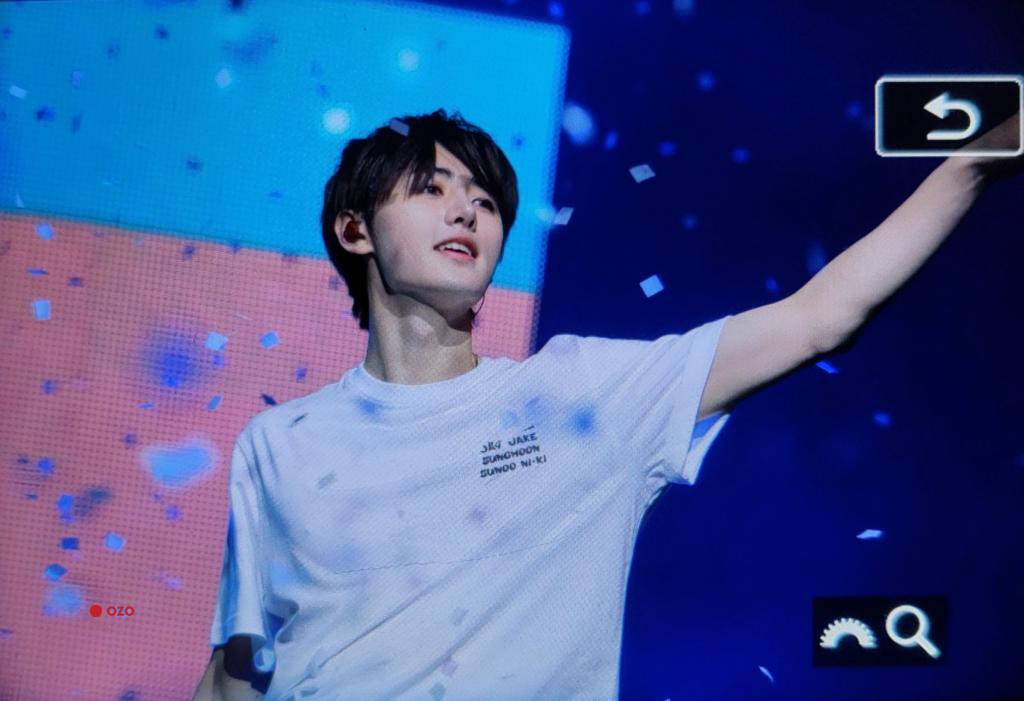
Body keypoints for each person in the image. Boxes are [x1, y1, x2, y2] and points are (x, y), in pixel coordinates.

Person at [198, 107, 1019, 700]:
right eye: (432, 188)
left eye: (485, 200)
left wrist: (971, 164)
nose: (467, 209)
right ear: (355, 231)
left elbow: (819, 317)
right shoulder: (280, 441)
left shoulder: (580, 394)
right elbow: (240, 672)